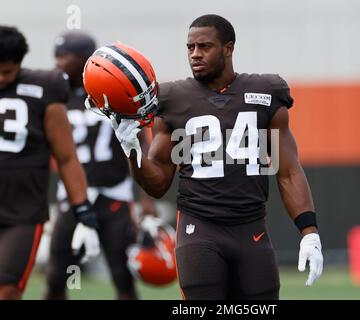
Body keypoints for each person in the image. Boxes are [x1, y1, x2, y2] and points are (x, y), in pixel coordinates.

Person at [95, 14, 323, 299]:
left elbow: (288, 170)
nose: (195, 54)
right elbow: (158, 184)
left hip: (251, 228)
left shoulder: (266, 92)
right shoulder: (172, 100)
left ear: (228, 48)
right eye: (190, 47)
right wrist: (132, 149)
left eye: (204, 46)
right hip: (199, 228)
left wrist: (309, 232)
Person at [44, 31, 155, 300]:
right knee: (56, 275)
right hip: (72, 196)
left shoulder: (110, 89)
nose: (58, 63)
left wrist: (146, 198)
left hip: (113, 194)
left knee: (122, 276)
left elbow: (141, 139)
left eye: (63, 56)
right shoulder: (53, 94)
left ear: (84, 59)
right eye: (56, 57)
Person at [0, 26, 99, 300]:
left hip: (22, 212)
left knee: (7, 289)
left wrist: (80, 204)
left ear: (19, 64)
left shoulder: (44, 87)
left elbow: (66, 155)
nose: (0, 78)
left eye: (6, 72)